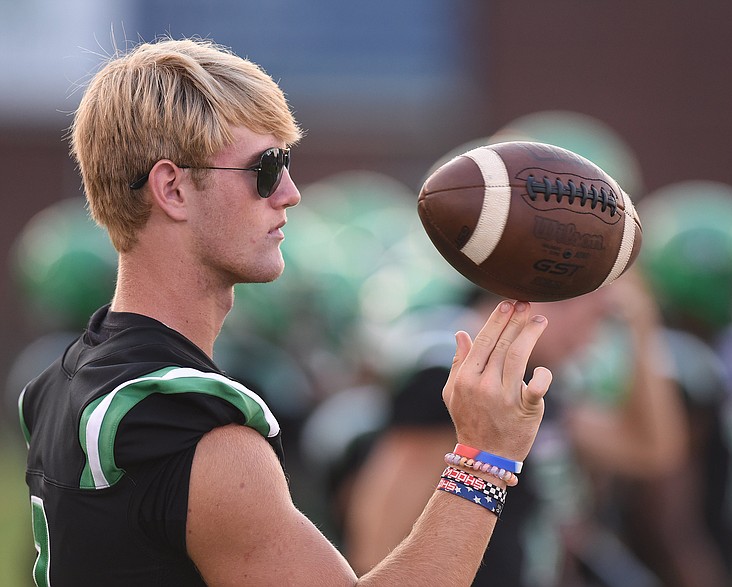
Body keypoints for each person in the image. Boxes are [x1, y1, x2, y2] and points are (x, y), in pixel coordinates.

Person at [17, 36, 554, 586]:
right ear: (173, 189)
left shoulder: (61, 382)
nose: (291, 193)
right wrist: (484, 457)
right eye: (266, 168)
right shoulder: (192, 428)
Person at [341, 270, 688, 586]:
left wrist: (643, 331)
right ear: (554, 300)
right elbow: (376, 534)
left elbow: (651, 452)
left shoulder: (537, 380)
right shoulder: (455, 378)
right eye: (594, 317)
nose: (592, 340)